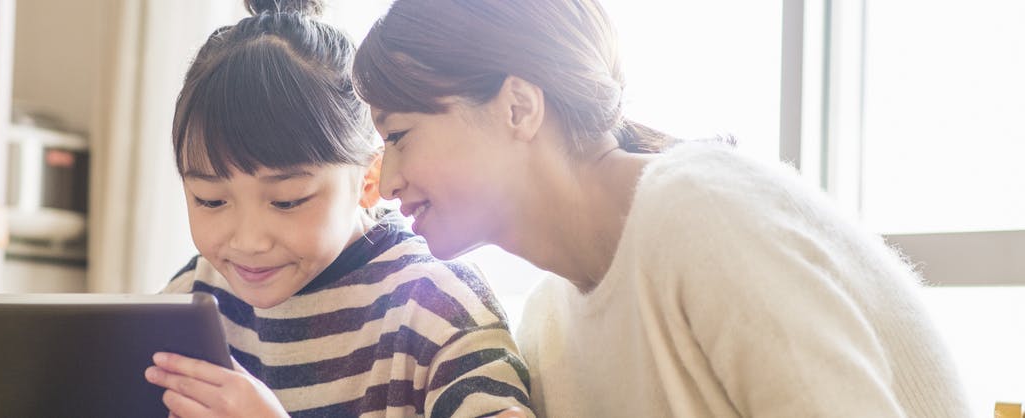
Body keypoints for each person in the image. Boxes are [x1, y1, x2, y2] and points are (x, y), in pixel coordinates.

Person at [351, 0, 970, 416]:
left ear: (518, 107)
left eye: (399, 135)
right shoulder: (547, 329)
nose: (390, 179)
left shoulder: (702, 213)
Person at [143, 1, 533, 417]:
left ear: (369, 180)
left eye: (287, 201)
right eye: (211, 200)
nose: (249, 241)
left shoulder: (434, 305)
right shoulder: (193, 301)